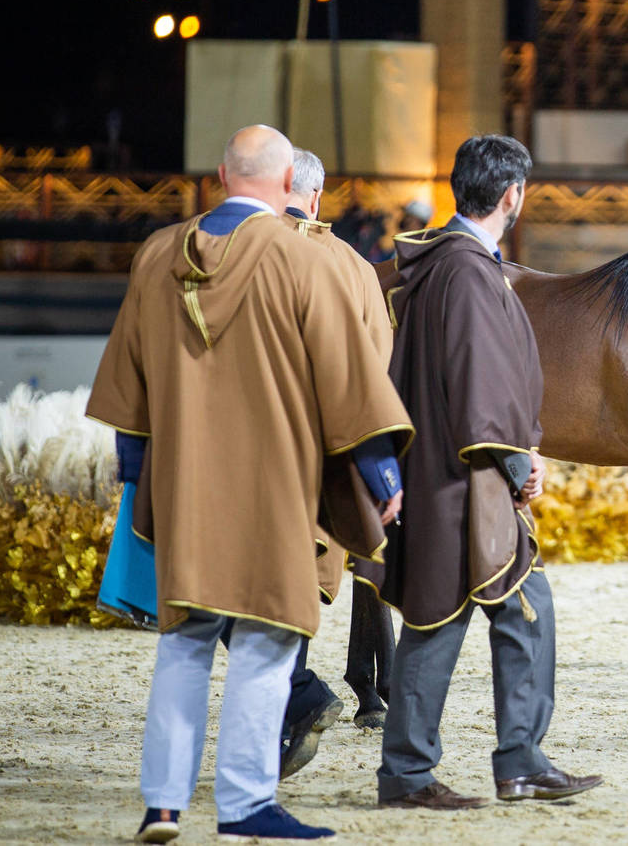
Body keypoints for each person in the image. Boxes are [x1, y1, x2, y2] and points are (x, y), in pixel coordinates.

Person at [87, 125, 413, 844]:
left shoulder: (155, 256)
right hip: (272, 490)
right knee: (267, 644)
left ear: (220, 175)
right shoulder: (307, 261)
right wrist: (383, 475)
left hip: (180, 488)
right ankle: (243, 806)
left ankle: (164, 806)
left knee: (183, 646)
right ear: (288, 183)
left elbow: (126, 388)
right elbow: (352, 386)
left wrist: (137, 481)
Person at [376, 134, 601, 809]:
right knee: (460, 616)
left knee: (472, 612)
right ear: (513, 195)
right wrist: (517, 457)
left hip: (439, 469)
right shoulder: (471, 272)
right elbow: (482, 382)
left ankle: (493, 762)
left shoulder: (441, 264)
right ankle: (437, 771)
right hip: (465, 477)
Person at [281, 148, 400, 749]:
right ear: (319, 195)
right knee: (301, 580)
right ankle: (330, 691)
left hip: (246, 456)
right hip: (328, 455)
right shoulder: (353, 267)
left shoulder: (223, 254)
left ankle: (301, 695)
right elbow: (377, 375)